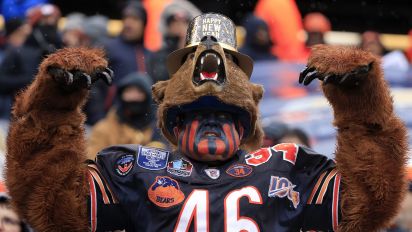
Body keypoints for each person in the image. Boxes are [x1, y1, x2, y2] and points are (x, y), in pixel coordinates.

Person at [5, 13, 408, 232]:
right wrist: (52, 111)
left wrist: (360, 110)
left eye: (223, 116)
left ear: (248, 120)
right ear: (172, 121)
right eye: (198, 115)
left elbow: (367, 204)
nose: (211, 123)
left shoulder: (288, 167)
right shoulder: (132, 168)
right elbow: (53, 207)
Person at [0, 3, 62, 119]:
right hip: (19, 115)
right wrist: (29, 80)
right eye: (44, 22)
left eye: (53, 22)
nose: (49, 26)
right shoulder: (19, 51)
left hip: (52, 116)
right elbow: (2, 81)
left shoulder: (61, 50)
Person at [87, 72, 167, 159]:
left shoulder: (161, 129)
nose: (133, 97)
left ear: (148, 97)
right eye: (128, 92)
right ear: (120, 97)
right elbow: (93, 161)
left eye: (139, 93)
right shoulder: (103, 129)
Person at [147, 0, 200, 83]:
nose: (179, 27)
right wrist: (179, 53)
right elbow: (161, 79)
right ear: (167, 27)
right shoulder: (157, 56)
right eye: (174, 23)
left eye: (184, 23)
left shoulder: (200, 55)